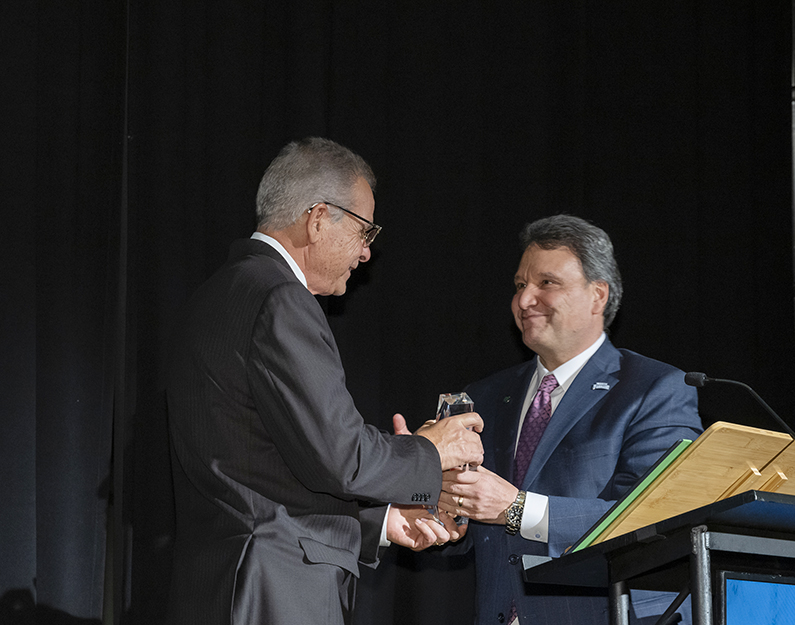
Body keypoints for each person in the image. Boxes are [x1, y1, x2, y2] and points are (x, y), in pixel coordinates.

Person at [165, 138, 483, 625]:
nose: (366, 253)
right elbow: (342, 456)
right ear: (318, 219)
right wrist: (432, 450)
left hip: (227, 583)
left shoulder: (215, 296)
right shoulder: (281, 299)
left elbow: (267, 465)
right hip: (273, 587)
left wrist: (381, 522)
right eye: (365, 231)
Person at [434, 215, 702, 624]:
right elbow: (474, 528)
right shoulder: (485, 396)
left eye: (546, 283)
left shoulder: (656, 389)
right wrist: (437, 506)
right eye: (520, 286)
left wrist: (518, 509)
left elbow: (657, 516)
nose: (524, 301)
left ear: (597, 296)